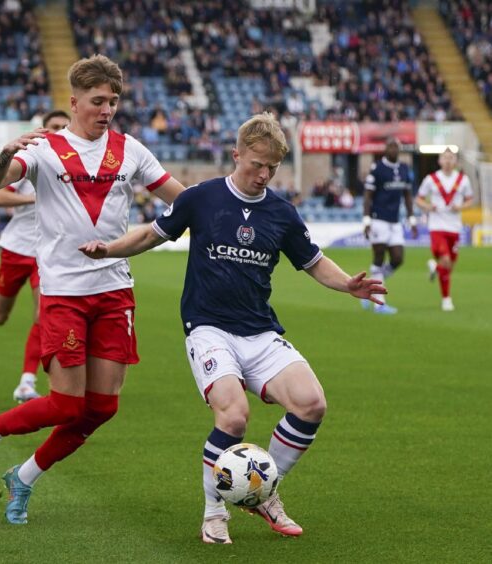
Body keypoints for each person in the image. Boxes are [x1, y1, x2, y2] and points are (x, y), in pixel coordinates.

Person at [79, 113, 386, 544]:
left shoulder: (282, 213)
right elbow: (152, 234)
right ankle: (214, 512)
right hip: (208, 328)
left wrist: (347, 286)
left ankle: (264, 492)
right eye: (255, 164)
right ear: (236, 154)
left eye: (272, 168)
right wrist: (108, 249)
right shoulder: (200, 198)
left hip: (259, 331)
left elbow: (314, 262)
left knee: (311, 403)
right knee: (234, 414)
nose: (263, 175)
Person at [0, 54, 186, 524]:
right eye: (97, 101)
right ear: (74, 101)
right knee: (67, 403)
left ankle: (23, 477)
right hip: (64, 291)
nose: (106, 110)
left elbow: (181, 199)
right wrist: (7, 152)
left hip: (115, 290)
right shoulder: (44, 148)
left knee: (102, 407)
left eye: (113, 101)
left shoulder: (132, 150)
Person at [0, 110, 71, 403]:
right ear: (43, 130)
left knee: (42, 315)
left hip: (45, 253)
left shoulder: (73, 163)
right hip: (16, 248)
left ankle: (26, 382)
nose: (59, 130)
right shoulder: (32, 158)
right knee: (0, 315)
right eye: (54, 127)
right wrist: (35, 198)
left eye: (64, 126)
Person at [361, 137, 417, 314]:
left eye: (395, 147)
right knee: (379, 257)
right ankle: (379, 304)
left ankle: (369, 285)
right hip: (378, 219)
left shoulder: (404, 168)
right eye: (390, 146)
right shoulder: (377, 169)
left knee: (398, 258)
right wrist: (366, 220)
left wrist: (411, 218)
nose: (393, 149)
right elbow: (368, 196)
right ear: (385, 149)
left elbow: (407, 195)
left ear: (399, 149)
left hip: (395, 221)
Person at [414, 148, 474, 311]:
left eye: (451, 158)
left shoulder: (463, 180)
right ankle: (446, 300)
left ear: (455, 161)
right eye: (445, 158)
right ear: (439, 161)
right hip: (437, 226)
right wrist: (428, 206)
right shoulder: (431, 179)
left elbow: (470, 200)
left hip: (455, 227)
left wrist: (460, 207)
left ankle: (435, 267)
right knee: (446, 261)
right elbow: (418, 198)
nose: (448, 161)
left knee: (450, 265)